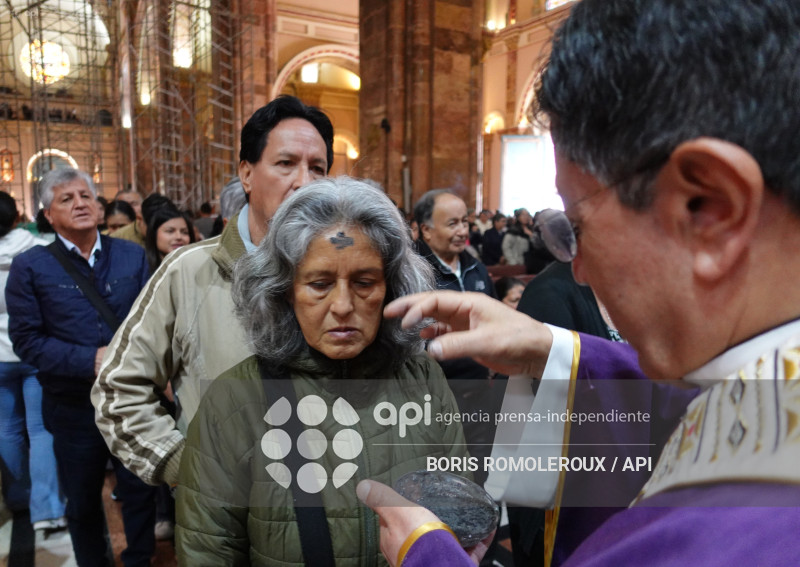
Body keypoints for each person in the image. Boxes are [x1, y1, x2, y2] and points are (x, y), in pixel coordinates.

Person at [360, 0, 800, 564]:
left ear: (710, 209)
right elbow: (702, 408)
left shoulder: (741, 539)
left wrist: (427, 554)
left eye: (581, 227)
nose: (581, 269)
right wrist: (558, 354)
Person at [176, 177, 468, 565]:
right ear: (284, 289)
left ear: (392, 288)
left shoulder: (422, 379)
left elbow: (457, 518)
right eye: (319, 284)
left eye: (364, 282)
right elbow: (208, 550)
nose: (343, 305)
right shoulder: (234, 400)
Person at [92, 95, 334, 487]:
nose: (304, 182)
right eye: (286, 163)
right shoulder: (189, 271)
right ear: (247, 174)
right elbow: (118, 389)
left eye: (318, 169)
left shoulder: (348, 276)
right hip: (228, 524)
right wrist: (186, 470)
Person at [7, 168, 157, 567]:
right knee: (83, 497)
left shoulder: (130, 255)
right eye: (66, 199)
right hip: (73, 405)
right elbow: (27, 340)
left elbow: (151, 321)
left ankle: (140, 560)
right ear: (48, 215)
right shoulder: (31, 267)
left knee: (140, 490)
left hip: (131, 400)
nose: (80, 204)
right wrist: (87, 359)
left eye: (86, 195)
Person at [0, 191, 66, 532]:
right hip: (35, 347)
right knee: (41, 430)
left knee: (7, 428)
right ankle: (48, 507)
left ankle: (17, 498)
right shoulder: (35, 248)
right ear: (15, 216)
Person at [144, 207, 195, 274]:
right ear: (153, 235)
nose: (179, 237)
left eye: (184, 232)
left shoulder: (198, 268)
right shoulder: (141, 268)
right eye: (170, 231)